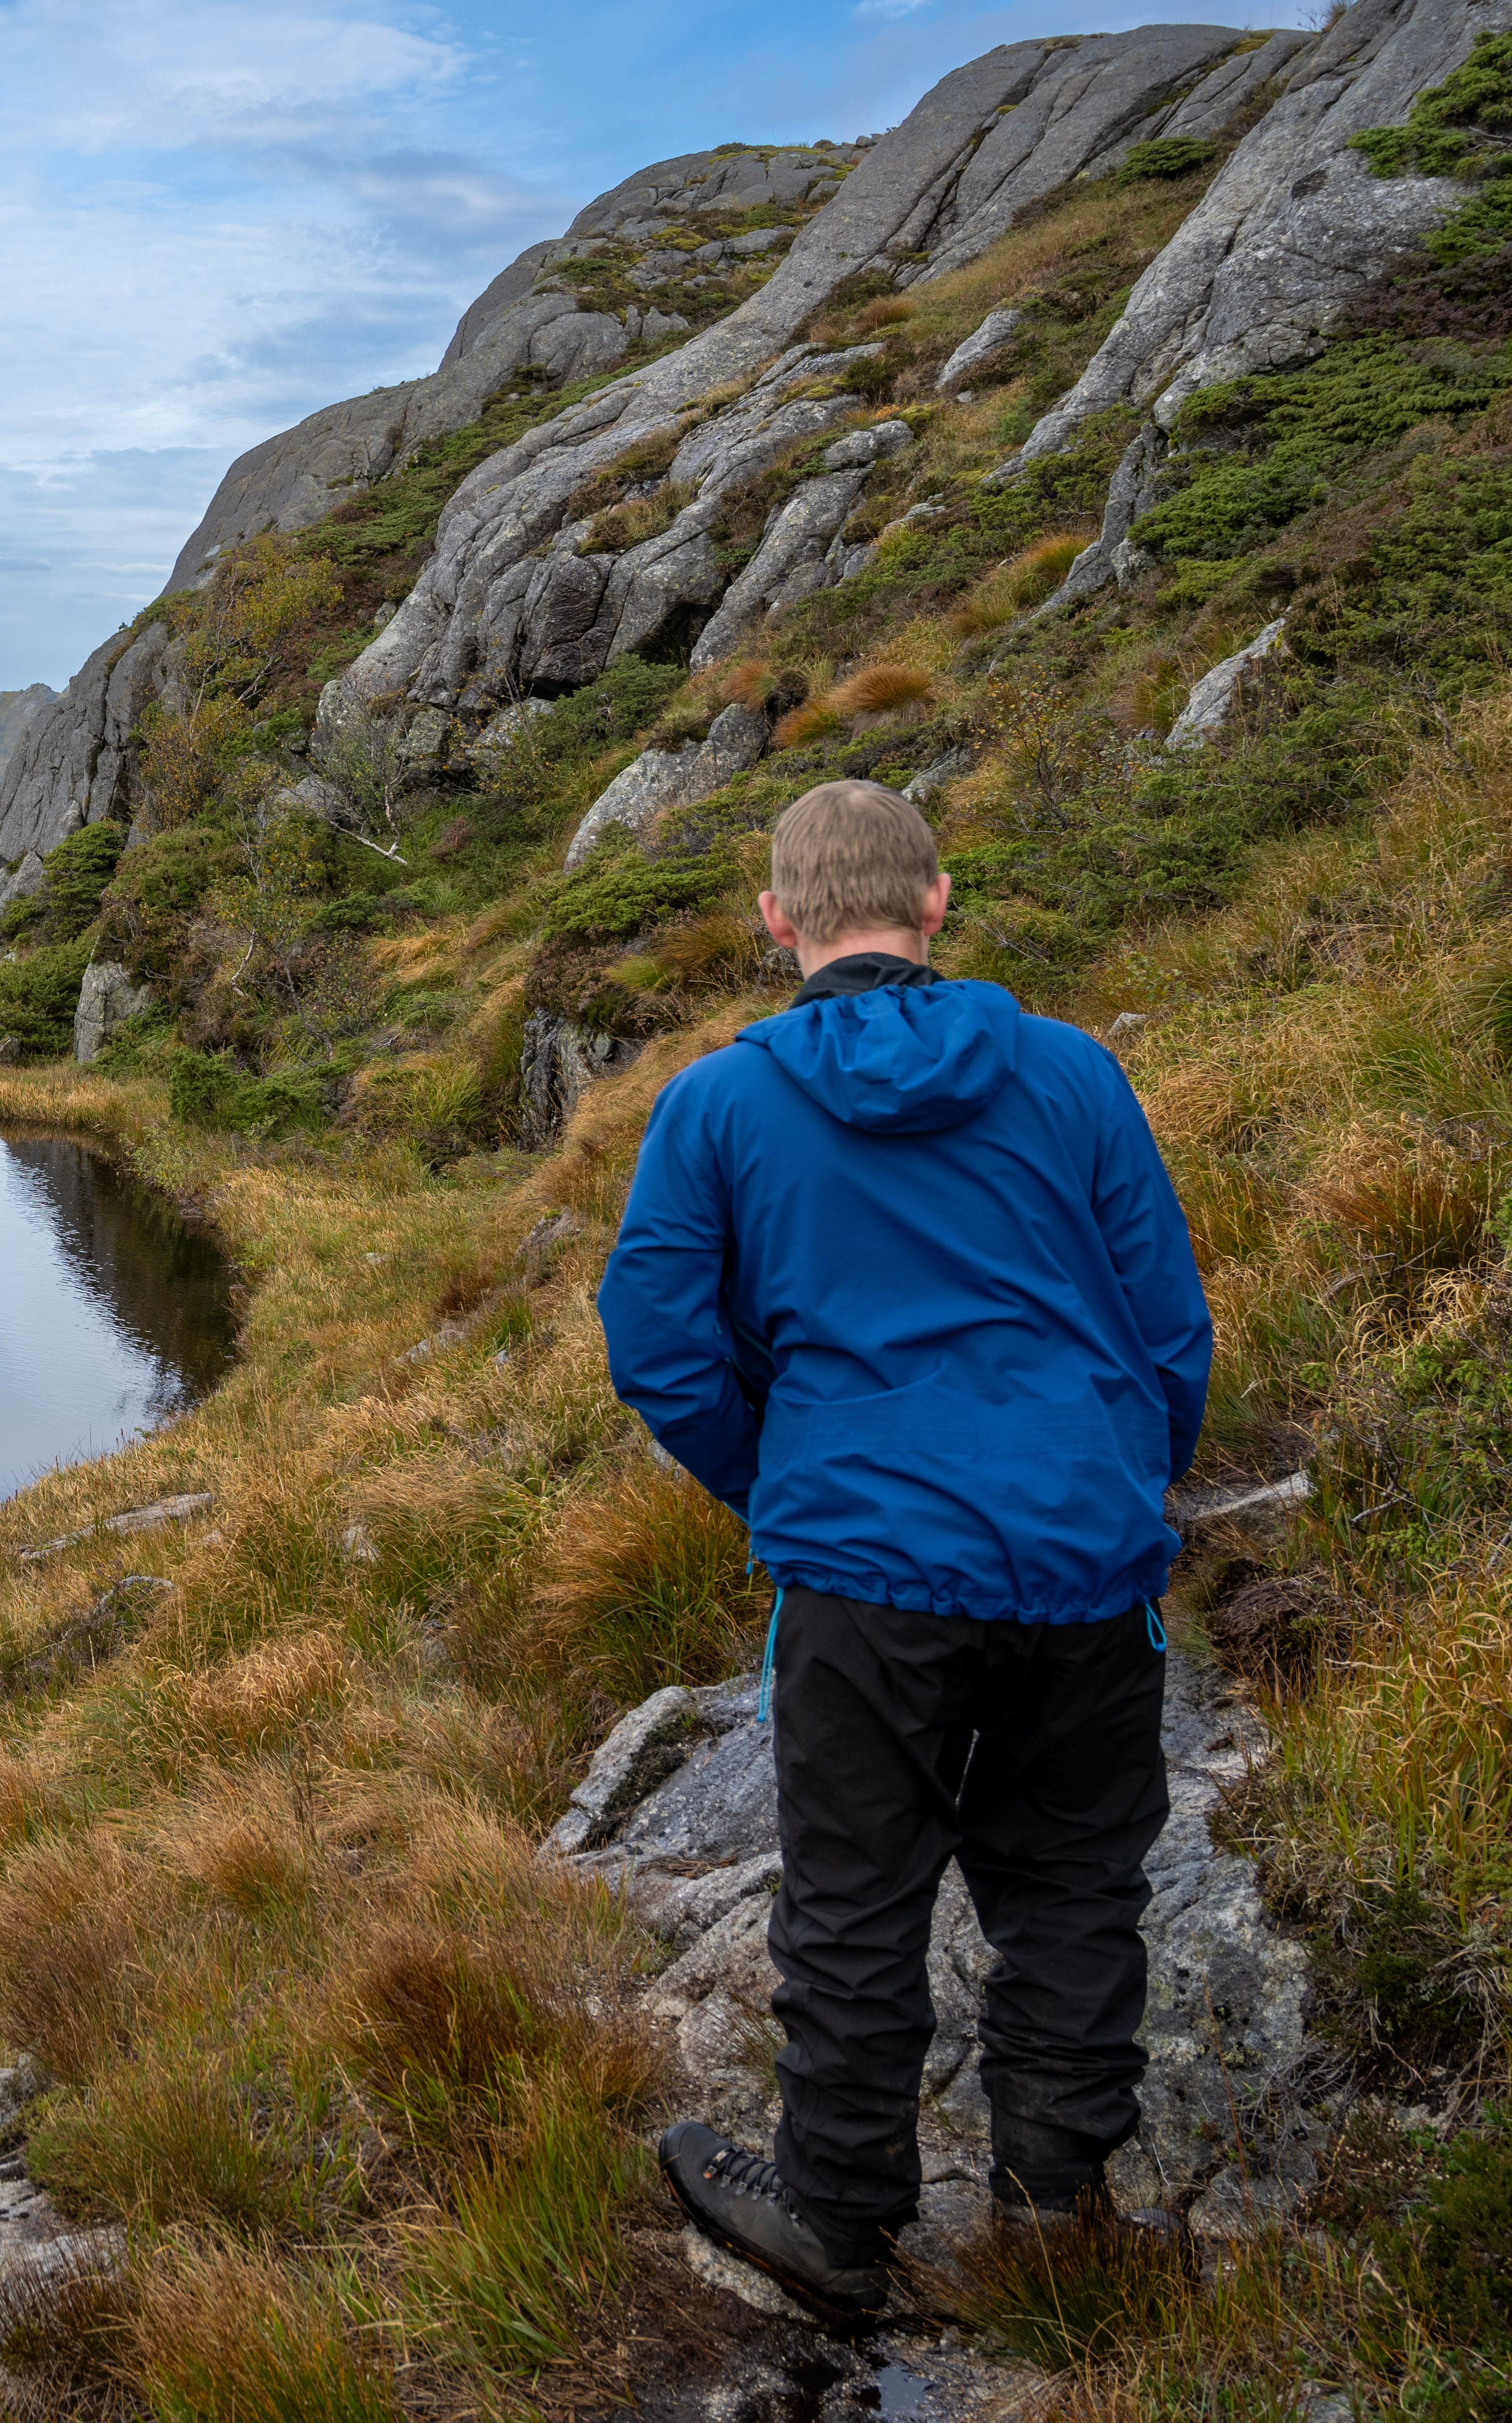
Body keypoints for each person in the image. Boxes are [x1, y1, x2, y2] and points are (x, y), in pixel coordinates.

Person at [594, 777, 1213, 2326]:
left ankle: (838, 2218)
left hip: (863, 1574)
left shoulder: (720, 1105)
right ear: (936, 903)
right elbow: (1169, 1332)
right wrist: (1113, 1484)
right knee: (1074, 1892)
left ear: (779, 921)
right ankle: (1056, 2221)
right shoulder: (1073, 1076)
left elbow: (659, 1346)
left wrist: (787, 1486)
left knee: (857, 1899)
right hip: (1085, 1564)